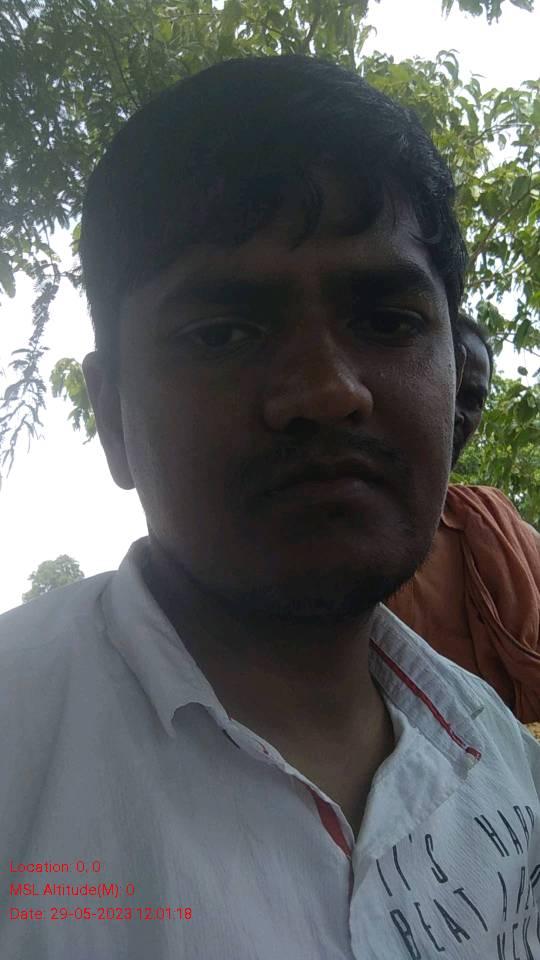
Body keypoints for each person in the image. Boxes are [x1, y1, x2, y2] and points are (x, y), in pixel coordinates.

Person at [1, 55, 540, 960]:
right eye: (223, 332)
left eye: (389, 320)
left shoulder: (505, 768)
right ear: (113, 417)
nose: (327, 391)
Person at [387, 312, 540, 723]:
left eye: (472, 399)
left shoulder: (496, 527)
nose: (454, 413)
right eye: (443, 386)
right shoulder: (327, 538)